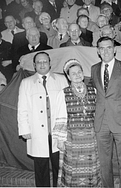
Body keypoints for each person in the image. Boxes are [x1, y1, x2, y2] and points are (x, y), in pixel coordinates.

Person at [91, 36, 121, 188]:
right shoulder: (94, 69)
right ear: (98, 51)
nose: (105, 51)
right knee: (104, 163)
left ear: (114, 49)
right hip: (101, 122)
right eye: (102, 48)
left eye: (109, 47)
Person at [17, 52, 68, 187]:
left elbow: (67, 106)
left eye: (45, 61)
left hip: (57, 132)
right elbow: (22, 108)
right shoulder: (26, 83)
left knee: (60, 168)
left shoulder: (61, 80)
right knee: (41, 168)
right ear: (34, 65)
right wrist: (24, 129)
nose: (42, 64)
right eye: (39, 62)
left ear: (50, 63)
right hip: (37, 133)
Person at [52, 59, 101, 187]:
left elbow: (97, 115)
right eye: (73, 73)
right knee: (73, 168)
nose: (77, 75)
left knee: (91, 169)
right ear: (68, 76)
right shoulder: (63, 93)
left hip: (91, 138)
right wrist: (60, 140)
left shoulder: (93, 91)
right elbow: (61, 117)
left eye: (79, 72)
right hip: (72, 139)